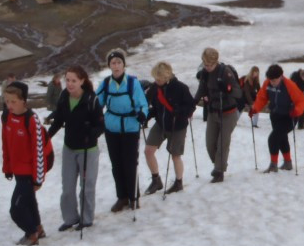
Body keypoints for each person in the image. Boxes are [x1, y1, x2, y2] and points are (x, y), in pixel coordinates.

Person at [47, 65, 105, 231]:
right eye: (68, 80)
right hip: (69, 148)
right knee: (67, 188)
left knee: (86, 186)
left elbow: (101, 125)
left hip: (88, 150)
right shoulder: (64, 96)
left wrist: (91, 133)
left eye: (74, 80)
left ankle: (86, 219)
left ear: (82, 81)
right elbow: (59, 120)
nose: (70, 84)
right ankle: (70, 218)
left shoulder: (91, 100)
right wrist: (46, 137)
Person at [96, 49, 148, 213]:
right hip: (112, 128)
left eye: (119, 62)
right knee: (116, 164)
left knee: (130, 163)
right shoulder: (105, 84)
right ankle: (122, 197)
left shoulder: (132, 83)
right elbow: (97, 103)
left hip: (131, 127)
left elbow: (143, 104)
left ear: (124, 65)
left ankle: (133, 197)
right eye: (113, 63)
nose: (116, 66)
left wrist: (142, 115)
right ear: (109, 66)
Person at [2, 81, 52, 246]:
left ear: (23, 101)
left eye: (13, 101)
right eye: (7, 101)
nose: (9, 105)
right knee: (29, 203)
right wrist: (8, 168)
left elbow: (39, 152)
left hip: (29, 173)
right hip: (17, 171)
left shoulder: (31, 120)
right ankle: (38, 228)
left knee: (16, 209)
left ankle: (31, 234)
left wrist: (38, 179)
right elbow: (6, 145)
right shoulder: (7, 117)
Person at [143, 61, 194, 195]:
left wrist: (180, 111)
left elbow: (191, 107)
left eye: (159, 79)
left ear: (167, 77)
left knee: (175, 155)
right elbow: (153, 106)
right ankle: (156, 180)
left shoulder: (181, 88)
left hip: (177, 126)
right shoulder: (154, 88)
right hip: (161, 124)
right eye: (155, 78)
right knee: (148, 151)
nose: (156, 81)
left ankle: (178, 183)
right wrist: (146, 116)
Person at [193, 47, 242, 183]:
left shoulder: (225, 72)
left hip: (229, 113)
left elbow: (238, 93)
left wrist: (227, 88)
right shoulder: (205, 73)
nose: (207, 67)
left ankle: (219, 172)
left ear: (216, 62)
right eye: (205, 64)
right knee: (210, 144)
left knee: (222, 144)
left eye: (210, 65)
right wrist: (193, 103)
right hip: (213, 112)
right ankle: (219, 165)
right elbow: (202, 88)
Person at [251, 64, 304, 172]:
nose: (272, 82)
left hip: (289, 117)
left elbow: (301, 100)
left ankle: (273, 165)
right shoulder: (267, 83)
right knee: (281, 138)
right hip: (275, 115)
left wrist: (297, 111)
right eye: (270, 80)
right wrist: (255, 109)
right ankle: (288, 163)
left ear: (281, 76)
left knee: (273, 138)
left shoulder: (289, 85)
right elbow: (262, 97)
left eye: (274, 80)